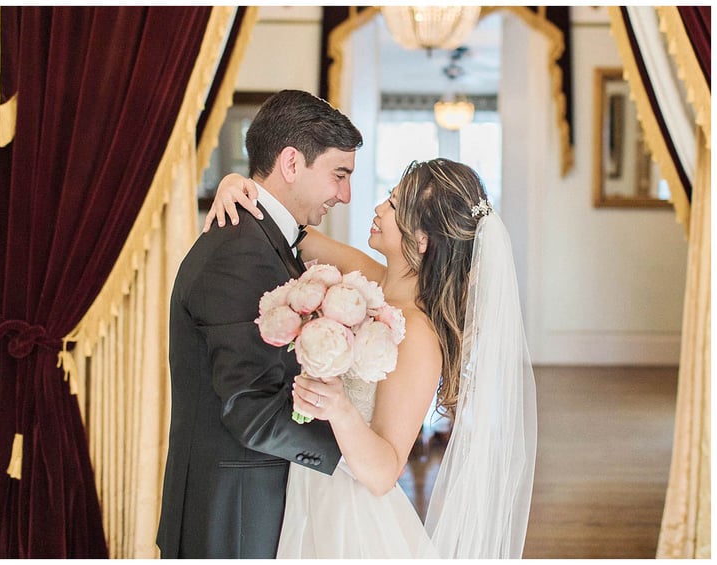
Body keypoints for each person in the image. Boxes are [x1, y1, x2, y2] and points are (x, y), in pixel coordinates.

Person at [205, 158, 537, 558]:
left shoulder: (417, 334)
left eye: (394, 206)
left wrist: (340, 408)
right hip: (308, 489)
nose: (379, 209)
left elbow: (384, 472)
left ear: (422, 240)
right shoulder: (372, 279)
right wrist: (234, 184)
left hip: (350, 518)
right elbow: (289, 228)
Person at [156, 90, 363, 559]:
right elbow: (250, 408)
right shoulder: (243, 250)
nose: (344, 195)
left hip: (242, 504)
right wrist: (354, 451)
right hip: (233, 515)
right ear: (291, 163)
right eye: (339, 174)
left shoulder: (265, 238)